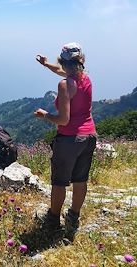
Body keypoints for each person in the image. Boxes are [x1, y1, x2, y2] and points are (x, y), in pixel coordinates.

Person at [34, 42, 97, 241]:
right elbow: (64, 72)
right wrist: (46, 65)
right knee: (80, 180)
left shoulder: (65, 85)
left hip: (69, 140)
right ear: (81, 60)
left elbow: (63, 120)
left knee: (59, 182)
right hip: (89, 137)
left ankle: (53, 220)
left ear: (62, 60)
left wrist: (45, 115)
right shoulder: (85, 78)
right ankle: (73, 218)